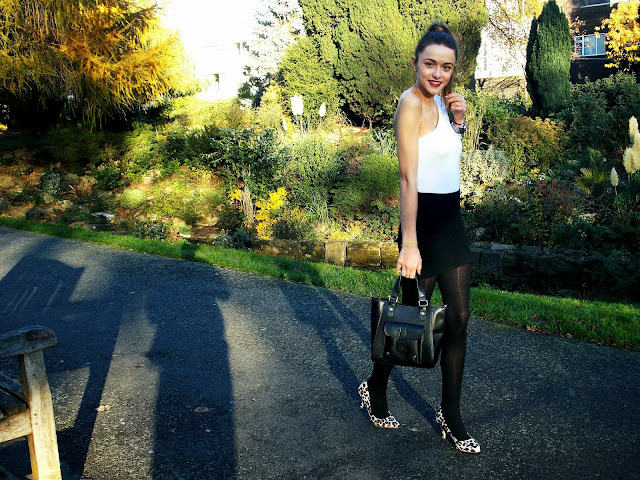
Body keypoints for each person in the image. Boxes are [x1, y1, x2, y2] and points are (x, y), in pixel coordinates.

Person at [357, 22, 480, 454]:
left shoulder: (444, 103)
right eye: (430, 64)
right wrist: (409, 243)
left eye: (446, 67)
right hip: (423, 225)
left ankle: (450, 413)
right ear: (415, 63)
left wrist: (458, 123)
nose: (438, 73)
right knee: (406, 322)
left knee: (460, 317)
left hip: (451, 220)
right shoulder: (410, 104)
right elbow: (409, 179)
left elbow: (443, 158)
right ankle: (375, 387)